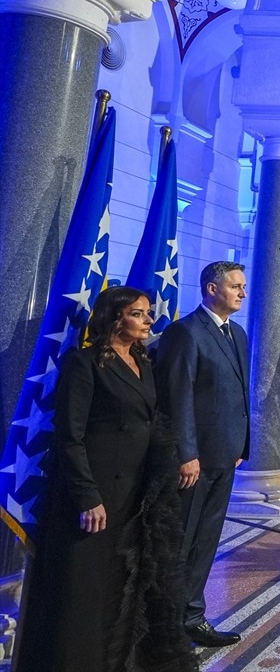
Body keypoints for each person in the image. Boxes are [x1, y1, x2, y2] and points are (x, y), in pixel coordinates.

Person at [18, 287, 195, 671]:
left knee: (119, 588)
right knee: (85, 588)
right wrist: (86, 496)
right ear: (115, 318)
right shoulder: (84, 364)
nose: (149, 320)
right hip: (95, 495)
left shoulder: (143, 362)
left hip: (135, 493)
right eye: (139, 314)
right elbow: (70, 435)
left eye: (148, 313)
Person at [156, 260, 251, 647]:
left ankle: (192, 617)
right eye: (235, 286)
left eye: (243, 287)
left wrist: (241, 445)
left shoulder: (238, 333)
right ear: (212, 289)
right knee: (182, 542)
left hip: (225, 455)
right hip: (194, 461)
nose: (242, 293)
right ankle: (165, 625)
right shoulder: (185, 332)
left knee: (207, 540)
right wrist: (186, 453)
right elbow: (177, 398)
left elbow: (236, 394)